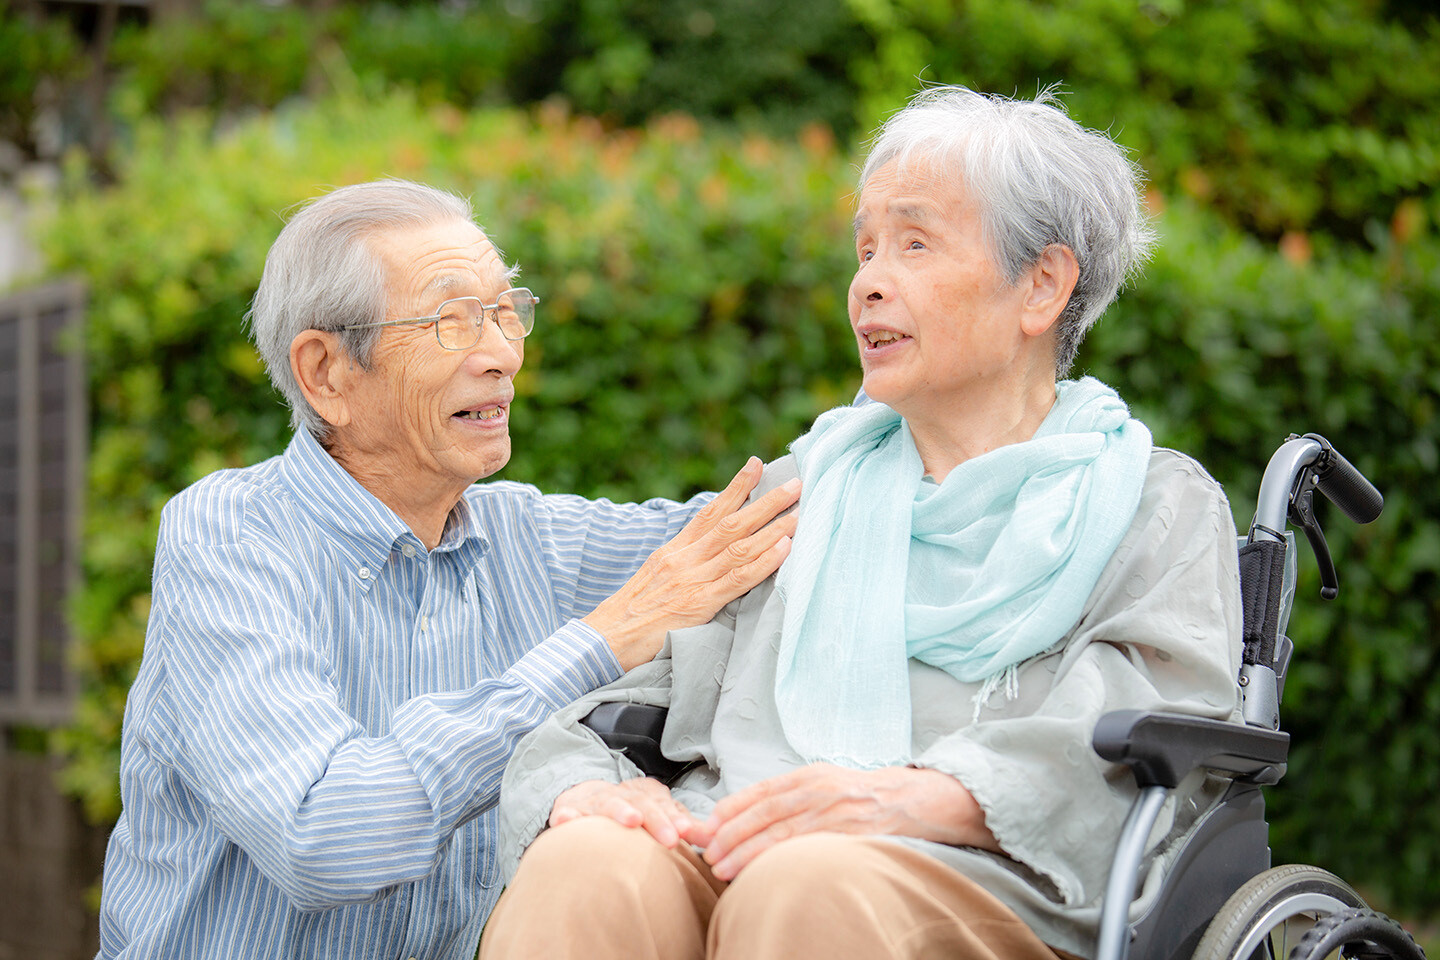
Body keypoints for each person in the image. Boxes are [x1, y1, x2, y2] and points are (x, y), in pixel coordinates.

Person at [483, 86, 1244, 960]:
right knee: (590, 863)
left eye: (915, 244)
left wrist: (914, 796)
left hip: (995, 888)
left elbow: (1132, 739)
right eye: (867, 248)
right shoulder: (806, 488)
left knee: (805, 879)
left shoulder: (1151, 504)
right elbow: (625, 703)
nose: (869, 282)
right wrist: (584, 789)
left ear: (1042, 285)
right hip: (729, 834)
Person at [94, 178, 801, 959]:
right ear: (327, 373)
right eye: (451, 320)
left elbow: (753, 526)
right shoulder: (230, 537)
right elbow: (323, 832)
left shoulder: (525, 534)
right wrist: (595, 644)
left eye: (506, 312)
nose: (501, 355)